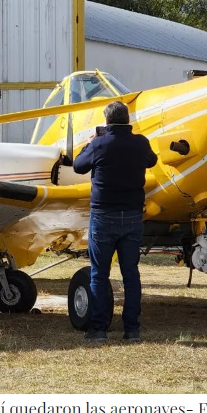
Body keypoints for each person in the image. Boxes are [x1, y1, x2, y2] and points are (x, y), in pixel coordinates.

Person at [72, 101, 157, 343]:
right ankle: (132, 329)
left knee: (99, 274)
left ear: (106, 122)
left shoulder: (99, 144)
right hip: (132, 216)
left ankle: (99, 329)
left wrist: (89, 143)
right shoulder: (140, 143)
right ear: (128, 120)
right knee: (130, 273)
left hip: (103, 216)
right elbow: (151, 161)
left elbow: (78, 166)